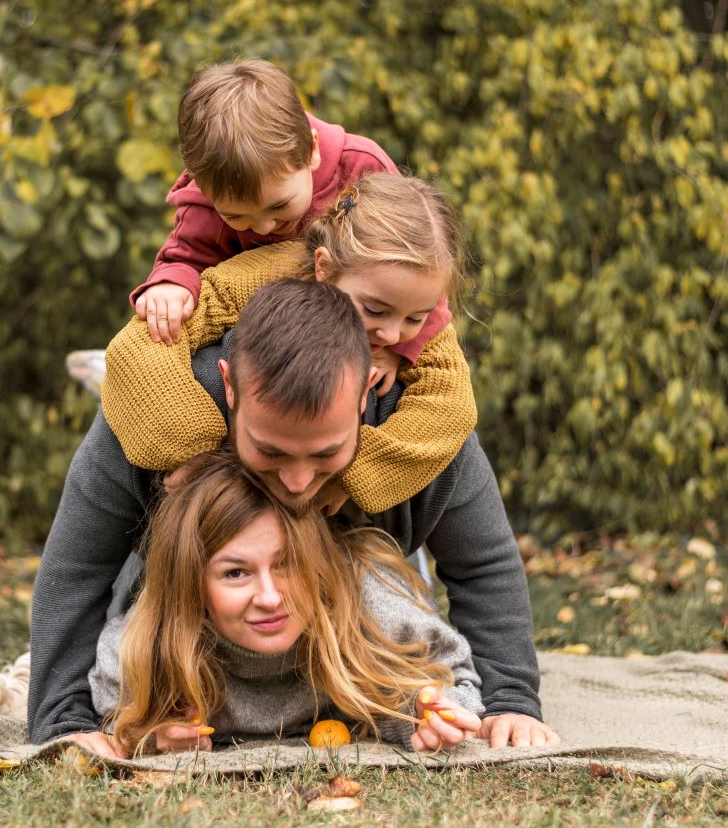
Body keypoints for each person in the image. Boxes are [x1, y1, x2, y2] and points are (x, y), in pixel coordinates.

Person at [29, 279, 560, 755]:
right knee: (146, 600)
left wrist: (510, 699)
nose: (299, 482)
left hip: (367, 550)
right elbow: (76, 569)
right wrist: (65, 720)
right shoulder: (157, 413)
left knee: (387, 612)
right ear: (230, 391)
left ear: (362, 397)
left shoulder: (419, 427)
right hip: (187, 563)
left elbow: (483, 563)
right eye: (272, 452)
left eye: (326, 455)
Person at [107, 171, 476, 515]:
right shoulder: (272, 273)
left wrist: (356, 474)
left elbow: (453, 406)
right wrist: (194, 450)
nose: (393, 336)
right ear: (323, 269)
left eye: (415, 318)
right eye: (375, 310)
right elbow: (139, 345)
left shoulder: (427, 334)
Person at [85, 450, 483, 757]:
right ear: (195, 585)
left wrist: (428, 711)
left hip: (363, 561)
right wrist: (153, 734)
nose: (270, 598)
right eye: (235, 573)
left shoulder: (375, 606)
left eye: (287, 563)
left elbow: (456, 678)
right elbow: (112, 709)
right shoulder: (144, 646)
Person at [131, 59, 441, 351]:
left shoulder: (361, 168)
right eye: (235, 215)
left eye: (279, 205)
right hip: (267, 338)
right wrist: (170, 285)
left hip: (365, 329)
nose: (264, 226)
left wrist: (401, 351)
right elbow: (184, 256)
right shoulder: (204, 205)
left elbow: (425, 257)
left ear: (311, 151)